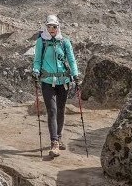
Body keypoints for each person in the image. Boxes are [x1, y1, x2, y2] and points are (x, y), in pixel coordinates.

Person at [32, 14, 80, 157]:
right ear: (45, 27)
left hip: (63, 82)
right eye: (49, 26)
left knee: (60, 109)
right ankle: (54, 143)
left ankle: (59, 137)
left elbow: (71, 60)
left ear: (58, 26)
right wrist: (35, 71)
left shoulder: (65, 42)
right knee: (52, 110)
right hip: (47, 82)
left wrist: (76, 75)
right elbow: (37, 61)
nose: (51, 29)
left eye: (54, 26)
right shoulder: (42, 42)